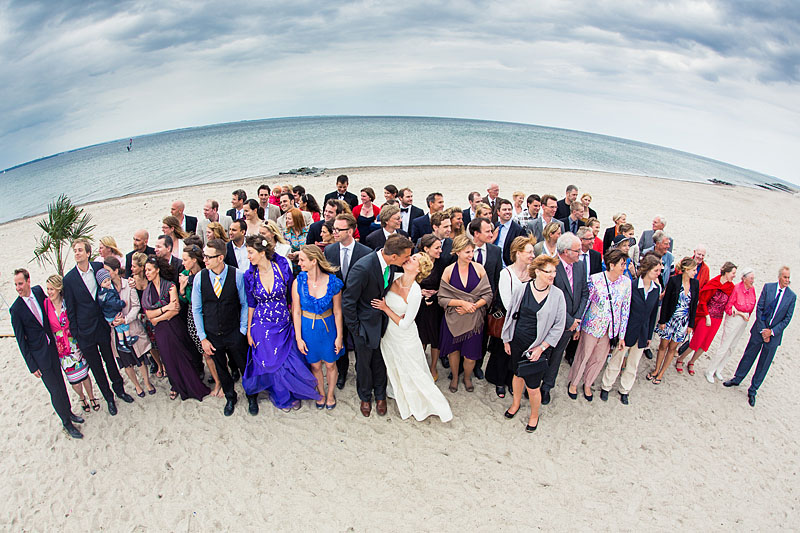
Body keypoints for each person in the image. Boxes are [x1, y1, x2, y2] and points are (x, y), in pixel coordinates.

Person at [371, 253, 453, 422]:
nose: (410, 258)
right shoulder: (394, 276)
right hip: (388, 334)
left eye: (414, 259)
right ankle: (396, 391)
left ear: (419, 269)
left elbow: (405, 323)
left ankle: (427, 404)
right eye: (411, 256)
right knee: (394, 364)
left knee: (413, 370)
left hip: (405, 336)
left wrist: (385, 309)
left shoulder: (415, 292)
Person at [243, 235, 321, 411]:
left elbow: (292, 296)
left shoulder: (282, 266)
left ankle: (294, 391)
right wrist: (249, 330)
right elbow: (251, 304)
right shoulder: (249, 275)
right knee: (271, 361)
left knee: (288, 359)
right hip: (261, 324)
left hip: (283, 321)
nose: (248, 257)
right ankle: (281, 396)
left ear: (262, 252)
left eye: (250, 252)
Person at [343, 234, 414, 417]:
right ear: (393, 256)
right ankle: (365, 397)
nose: (408, 260)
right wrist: (356, 330)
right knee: (364, 365)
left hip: (384, 323)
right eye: (406, 257)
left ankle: (381, 395)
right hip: (363, 327)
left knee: (381, 361)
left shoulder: (390, 267)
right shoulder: (362, 268)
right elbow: (348, 302)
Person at [62, 239, 133, 414]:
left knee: (110, 360)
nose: (77, 253)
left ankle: (120, 390)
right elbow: (70, 309)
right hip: (84, 332)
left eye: (80, 250)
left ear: (87, 253)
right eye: (75, 250)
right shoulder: (69, 279)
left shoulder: (98, 269)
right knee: (96, 367)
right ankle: (108, 398)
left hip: (102, 325)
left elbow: (112, 285)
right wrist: (77, 334)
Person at [11, 269, 84, 438]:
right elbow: (21, 341)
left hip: (54, 349)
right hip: (39, 356)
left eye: (20, 283)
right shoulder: (16, 309)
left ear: (28, 281)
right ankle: (66, 423)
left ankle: (69, 412)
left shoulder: (37, 291)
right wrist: (32, 366)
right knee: (55, 390)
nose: (18, 288)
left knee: (61, 383)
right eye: (16, 285)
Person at [501, 255, 566, 432]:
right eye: (548, 271)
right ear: (537, 272)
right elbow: (511, 316)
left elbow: (559, 326)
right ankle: (515, 404)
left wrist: (542, 347)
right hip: (518, 341)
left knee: (533, 386)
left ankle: (534, 415)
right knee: (516, 374)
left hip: (539, 346)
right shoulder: (522, 290)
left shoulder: (557, 295)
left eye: (554, 271)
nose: (552, 275)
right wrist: (507, 339)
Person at [192, 239, 254, 415]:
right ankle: (230, 397)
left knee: (244, 366)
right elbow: (196, 309)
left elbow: (244, 303)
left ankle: (252, 396)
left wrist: (242, 330)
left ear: (220, 257)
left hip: (234, 332)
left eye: (208, 257)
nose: (204, 260)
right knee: (221, 368)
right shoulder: (200, 278)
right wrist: (202, 337)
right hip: (212, 335)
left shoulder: (237, 275)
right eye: (204, 256)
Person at [142, 255, 210, 401]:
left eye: (149, 270)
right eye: (145, 270)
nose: (146, 273)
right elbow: (149, 315)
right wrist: (165, 309)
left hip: (174, 326)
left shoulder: (170, 286)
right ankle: (176, 385)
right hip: (161, 331)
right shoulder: (147, 292)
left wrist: (157, 317)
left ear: (157, 270)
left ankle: (192, 384)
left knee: (183, 354)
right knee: (168, 358)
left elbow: (176, 309)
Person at [724, 267, 795, 406]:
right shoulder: (768, 288)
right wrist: (763, 330)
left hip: (774, 336)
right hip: (759, 330)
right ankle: (737, 378)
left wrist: (771, 332)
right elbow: (760, 308)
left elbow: (787, 319)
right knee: (749, 355)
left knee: (764, 363)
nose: (787, 280)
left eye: (788, 278)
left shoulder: (791, 297)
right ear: (780, 277)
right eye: (785, 277)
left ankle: (753, 390)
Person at [567, 249, 631, 401]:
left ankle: (588, 383)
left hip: (610, 330)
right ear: (611, 264)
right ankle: (574, 382)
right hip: (591, 326)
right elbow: (586, 303)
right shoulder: (595, 279)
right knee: (583, 355)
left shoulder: (626, 283)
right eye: (622, 264)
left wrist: (621, 335)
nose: (624, 267)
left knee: (599, 359)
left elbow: (625, 311)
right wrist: (579, 327)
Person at [599, 255, 662, 404]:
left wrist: (649, 335)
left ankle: (624, 390)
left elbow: (653, 314)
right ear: (647, 270)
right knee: (617, 359)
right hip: (627, 330)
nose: (658, 273)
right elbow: (623, 310)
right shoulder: (632, 286)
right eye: (655, 270)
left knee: (633, 363)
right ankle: (606, 386)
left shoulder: (656, 289)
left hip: (643, 332)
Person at [438, 234, 494, 393]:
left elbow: (488, 294)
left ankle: (467, 377)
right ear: (457, 252)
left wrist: (474, 306)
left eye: (472, 252)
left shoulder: (479, 269)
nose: (471, 255)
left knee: (470, 356)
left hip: (474, 320)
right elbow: (442, 298)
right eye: (467, 252)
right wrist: (462, 303)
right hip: (453, 320)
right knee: (453, 352)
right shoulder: (448, 271)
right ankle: (455, 377)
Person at [292, 245, 345, 409]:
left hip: (328, 327)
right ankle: (321, 393)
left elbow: (337, 311)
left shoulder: (333, 283)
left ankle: (330, 394)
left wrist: (339, 337)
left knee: (330, 364)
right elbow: (296, 311)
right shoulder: (298, 282)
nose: (299, 263)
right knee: (315, 365)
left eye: (302, 260)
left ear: (313, 261)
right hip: (308, 329)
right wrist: (298, 337)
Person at [325, 213, 372, 389]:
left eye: (338, 229)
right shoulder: (329, 250)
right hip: (336, 307)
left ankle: (362, 374)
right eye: (333, 229)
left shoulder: (366, 253)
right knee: (339, 340)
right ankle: (342, 372)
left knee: (360, 343)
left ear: (350, 231)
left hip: (358, 307)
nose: (334, 232)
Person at [486, 236, 535, 398]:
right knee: (502, 352)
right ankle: (499, 381)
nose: (532, 255)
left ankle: (511, 381)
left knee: (518, 354)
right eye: (529, 252)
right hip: (508, 321)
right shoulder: (506, 273)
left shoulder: (533, 273)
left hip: (525, 322)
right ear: (518, 253)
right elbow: (507, 302)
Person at [542, 233, 588, 404]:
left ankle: (547, 387)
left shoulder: (580, 266)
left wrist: (576, 319)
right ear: (566, 251)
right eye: (577, 250)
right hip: (552, 323)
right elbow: (548, 298)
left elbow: (584, 293)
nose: (580, 253)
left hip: (571, 324)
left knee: (557, 356)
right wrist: (569, 320)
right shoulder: (550, 266)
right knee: (544, 353)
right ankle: (533, 384)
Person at [44, 274, 97, 414]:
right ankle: (81, 397)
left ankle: (91, 396)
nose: (49, 292)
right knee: (73, 378)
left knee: (84, 373)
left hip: (74, 341)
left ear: (59, 289)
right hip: (61, 347)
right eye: (48, 289)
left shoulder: (66, 301)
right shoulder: (46, 304)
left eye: (52, 289)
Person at [102, 257, 155, 398]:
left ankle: (147, 383)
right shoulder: (105, 289)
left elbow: (136, 306)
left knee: (141, 359)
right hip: (117, 331)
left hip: (132, 327)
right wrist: (112, 322)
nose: (106, 274)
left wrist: (125, 319)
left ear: (116, 270)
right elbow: (103, 309)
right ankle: (137, 386)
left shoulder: (128, 284)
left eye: (108, 271)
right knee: (126, 363)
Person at [677, 262, 737, 375]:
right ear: (726, 272)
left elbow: (730, 302)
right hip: (706, 316)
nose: (734, 276)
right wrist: (707, 316)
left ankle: (692, 362)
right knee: (696, 341)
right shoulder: (714, 283)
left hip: (717, 319)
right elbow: (703, 301)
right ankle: (681, 359)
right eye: (733, 273)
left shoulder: (731, 287)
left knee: (705, 344)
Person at [648, 257, 699, 384]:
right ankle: (656, 369)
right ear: (686, 270)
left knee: (672, 348)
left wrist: (691, 324)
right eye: (693, 269)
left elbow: (693, 306)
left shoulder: (695, 284)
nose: (695, 272)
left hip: (683, 322)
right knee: (663, 346)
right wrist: (663, 321)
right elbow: (666, 302)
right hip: (670, 319)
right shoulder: (674, 281)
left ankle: (661, 373)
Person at [178, 244, 219, 394]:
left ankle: (221, 378)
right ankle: (217, 380)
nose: (183, 263)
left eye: (185, 259)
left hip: (208, 315)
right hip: (193, 316)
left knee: (215, 351)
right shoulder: (183, 274)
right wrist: (182, 290)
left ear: (194, 260)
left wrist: (188, 283)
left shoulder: (206, 274)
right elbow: (185, 300)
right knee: (205, 353)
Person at [705, 268, 756, 383]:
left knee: (732, 347)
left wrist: (746, 316)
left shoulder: (752, 290)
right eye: (751, 278)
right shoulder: (737, 289)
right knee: (724, 345)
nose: (753, 281)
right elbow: (728, 307)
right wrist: (740, 313)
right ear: (744, 279)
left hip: (744, 320)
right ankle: (710, 370)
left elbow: (753, 304)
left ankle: (719, 369)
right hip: (735, 318)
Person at [129, 251, 165, 377]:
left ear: (141, 267)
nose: (131, 268)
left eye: (134, 266)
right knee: (150, 343)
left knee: (160, 341)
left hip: (155, 314)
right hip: (142, 317)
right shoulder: (132, 282)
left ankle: (164, 363)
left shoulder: (151, 279)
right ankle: (158, 364)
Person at [415, 235, 446, 380]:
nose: (440, 250)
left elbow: (447, 285)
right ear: (426, 249)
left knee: (435, 338)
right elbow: (408, 282)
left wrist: (437, 294)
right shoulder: (417, 262)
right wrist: (419, 292)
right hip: (419, 305)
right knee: (420, 338)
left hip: (436, 306)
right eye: (437, 248)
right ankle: (420, 367)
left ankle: (433, 367)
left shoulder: (442, 264)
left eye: (440, 247)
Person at [94, 267, 138, 350]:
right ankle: (128, 339)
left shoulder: (101, 293)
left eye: (108, 280)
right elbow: (114, 303)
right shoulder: (108, 293)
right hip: (113, 314)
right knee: (123, 325)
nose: (108, 283)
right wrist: (123, 303)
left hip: (109, 315)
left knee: (119, 328)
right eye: (105, 281)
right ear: (100, 284)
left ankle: (122, 343)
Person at [494, 199, 526, 267]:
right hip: (495, 266)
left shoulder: (519, 230)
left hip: (509, 266)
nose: (507, 212)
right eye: (504, 209)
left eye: (509, 209)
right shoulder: (495, 226)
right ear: (498, 212)